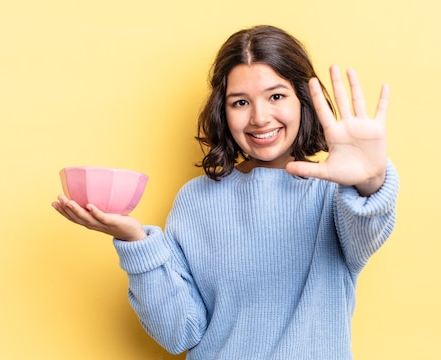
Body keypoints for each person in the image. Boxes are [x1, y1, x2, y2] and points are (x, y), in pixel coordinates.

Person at [52, 25, 399, 360]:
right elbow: (180, 334)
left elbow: (368, 228)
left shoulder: (335, 196)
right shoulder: (196, 199)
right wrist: (134, 243)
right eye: (240, 102)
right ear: (223, 110)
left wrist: (369, 181)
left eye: (276, 96)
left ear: (303, 101)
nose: (260, 118)